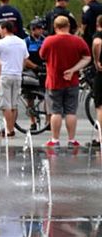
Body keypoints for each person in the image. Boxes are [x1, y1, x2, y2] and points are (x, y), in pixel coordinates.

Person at [40, 15, 92, 148]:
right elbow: (87, 57)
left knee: (55, 111)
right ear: (68, 26)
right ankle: (71, 140)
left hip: (54, 81)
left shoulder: (49, 41)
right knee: (70, 112)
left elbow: (42, 56)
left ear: (55, 27)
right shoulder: (78, 41)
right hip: (72, 81)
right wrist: (73, 69)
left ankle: (55, 140)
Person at [0, 21, 28, 137]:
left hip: (5, 74)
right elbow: (25, 58)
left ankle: (9, 130)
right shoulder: (21, 42)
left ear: (5, 29)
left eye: (0, 29)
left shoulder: (1, 43)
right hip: (17, 74)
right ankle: (11, 127)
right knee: (13, 104)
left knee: (6, 104)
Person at [91, 15, 102, 147]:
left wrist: (96, 60)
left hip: (101, 73)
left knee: (100, 105)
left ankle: (100, 137)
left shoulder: (99, 34)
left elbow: (97, 43)